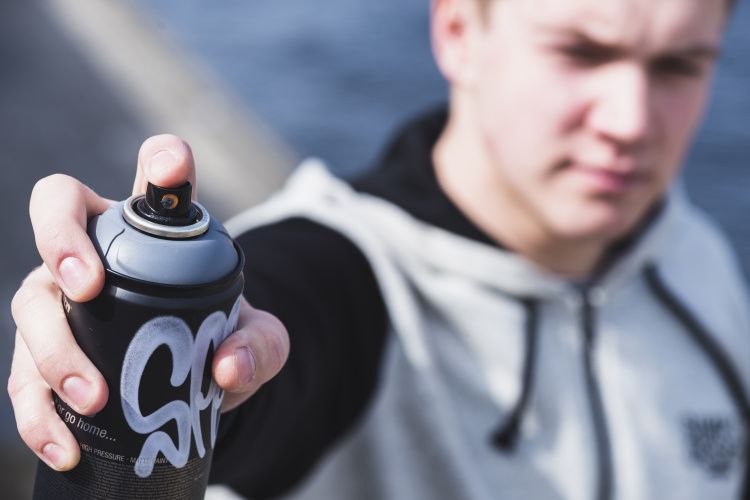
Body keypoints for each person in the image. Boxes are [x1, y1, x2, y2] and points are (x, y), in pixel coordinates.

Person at [9, 0, 750, 498]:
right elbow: (275, 328)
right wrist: (142, 320)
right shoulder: (345, 280)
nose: (630, 120)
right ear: (458, 32)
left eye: (679, 66)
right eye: (580, 51)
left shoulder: (697, 259)